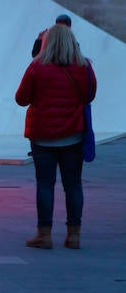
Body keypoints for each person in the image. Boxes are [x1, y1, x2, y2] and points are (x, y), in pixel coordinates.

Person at [16, 23, 96, 250]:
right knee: (73, 185)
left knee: (45, 184)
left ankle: (44, 235)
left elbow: (21, 98)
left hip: (43, 136)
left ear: (46, 42)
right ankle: (74, 236)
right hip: (73, 135)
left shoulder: (36, 67)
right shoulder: (85, 66)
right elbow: (89, 95)